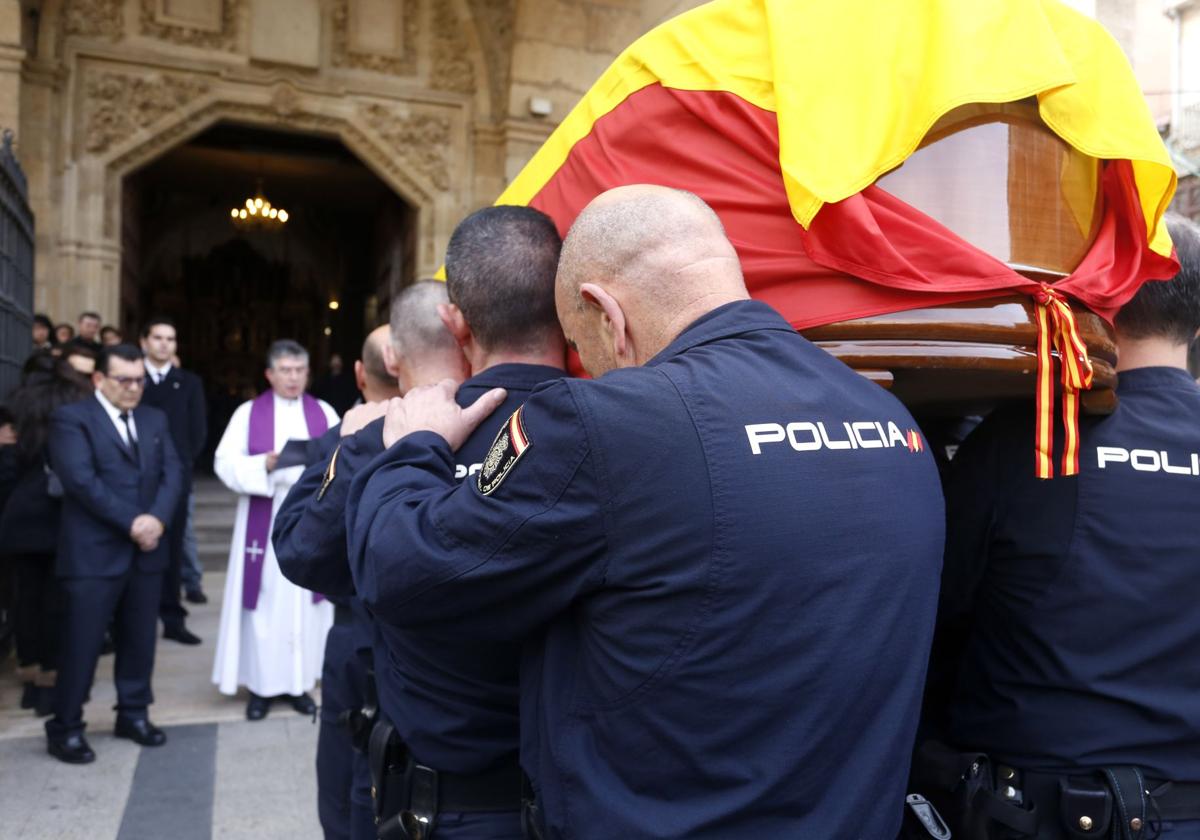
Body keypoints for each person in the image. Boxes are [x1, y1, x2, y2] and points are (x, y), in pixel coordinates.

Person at [345, 186, 946, 838]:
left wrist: (411, 449)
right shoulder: (890, 419)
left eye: (583, 349)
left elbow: (405, 568)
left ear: (607, 313)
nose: (595, 371)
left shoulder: (608, 422)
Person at [291, 204, 570, 839]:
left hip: (447, 798)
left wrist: (357, 444)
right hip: (582, 794)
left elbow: (307, 554)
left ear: (455, 319)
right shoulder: (625, 425)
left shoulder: (397, 431)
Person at [922, 215, 1200, 839]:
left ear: (1093, 298)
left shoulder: (1028, 439)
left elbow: (933, 615)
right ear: (1197, 323)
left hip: (1034, 813)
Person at [275, 312, 456, 840]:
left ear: (368, 371)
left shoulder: (350, 438)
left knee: (358, 794)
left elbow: (302, 550)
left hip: (383, 644)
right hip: (367, 649)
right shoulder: (345, 436)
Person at [44, 344, 184, 763]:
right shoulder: (72, 419)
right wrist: (135, 523)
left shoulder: (154, 418)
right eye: (123, 380)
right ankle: (65, 725)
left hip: (145, 554)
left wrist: (157, 519)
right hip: (93, 555)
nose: (133, 388)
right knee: (81, 646)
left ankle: (133, 713)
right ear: (99, 380)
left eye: (139, 380)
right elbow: (81, 481)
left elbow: (174, 472)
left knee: (140, 641)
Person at [212, 339, 338, 720]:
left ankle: (301, 684)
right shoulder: (248, 414)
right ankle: (261, 688)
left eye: (300, 370)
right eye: (285, 370)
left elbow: (344, 456)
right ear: (269, 374)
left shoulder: (325, 412)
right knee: (263, 603)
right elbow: (224, 462)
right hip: (263, 522)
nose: (293, 377)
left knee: (304, 603)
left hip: (310, 520)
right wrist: (263, 465)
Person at [0, 356, 89, 717]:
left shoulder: (15, 406)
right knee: (59, 602)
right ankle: (52, 678)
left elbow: (7, 466)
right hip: (63, 516)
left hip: (21, 519)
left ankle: (31, 675)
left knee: (25, 600)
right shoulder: (77, 403)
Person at [139, 317, 208, 639]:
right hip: (131, 478)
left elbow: (197, 432)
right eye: (158, 337)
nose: (164, 343)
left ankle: (172, 617)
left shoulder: (189, 382)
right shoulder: (131, 380)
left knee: (171, 546)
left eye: (171, 338)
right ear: (144, 342)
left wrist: (179, 468)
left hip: (174, 479)